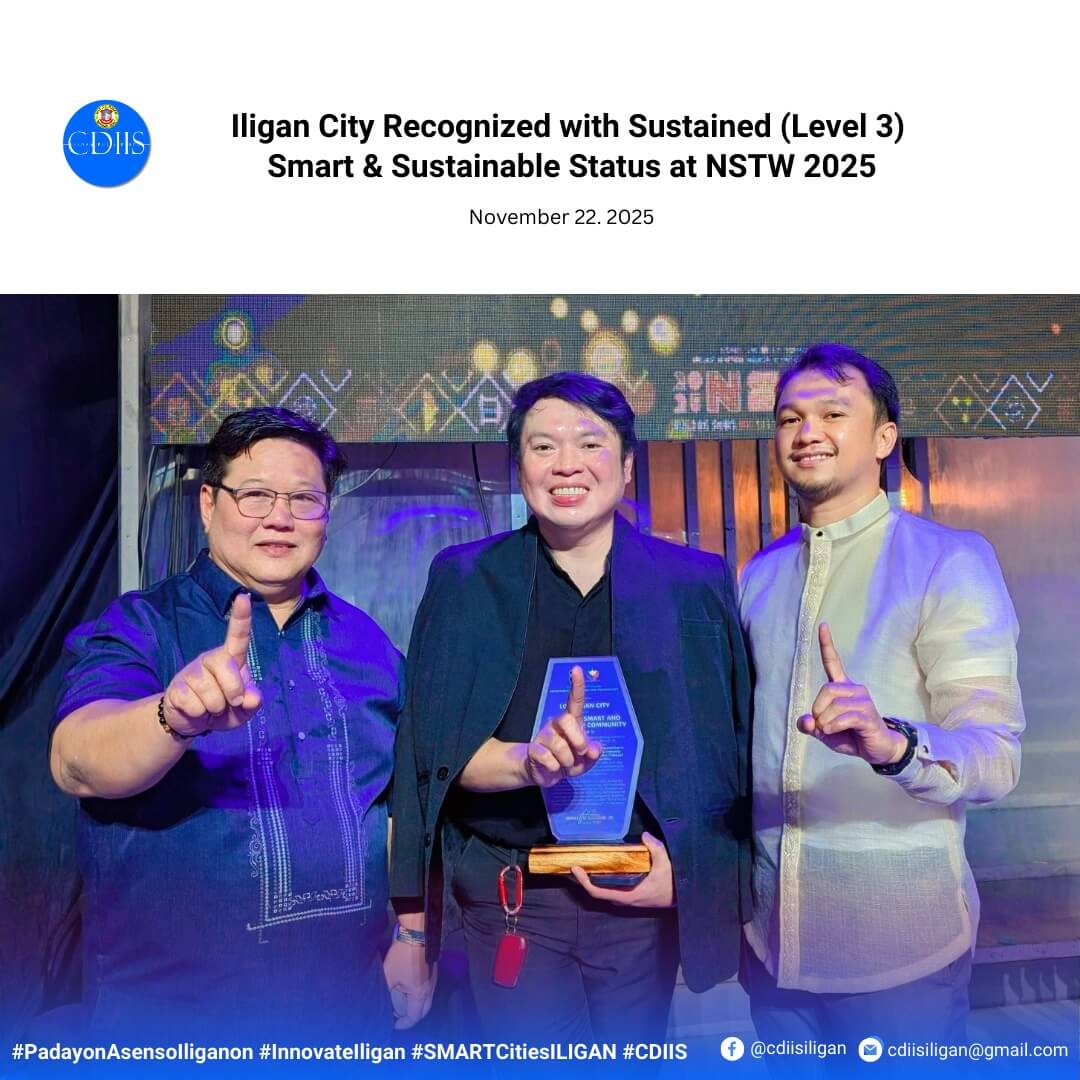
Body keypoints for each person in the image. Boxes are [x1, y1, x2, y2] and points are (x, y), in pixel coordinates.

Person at [389, 372, 751, 1043]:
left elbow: (727, 749)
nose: (566, 465)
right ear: (518, 466)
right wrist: (530, 762)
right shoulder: (464, 580)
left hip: (639, 900)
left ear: (627, 465)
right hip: (511, 899)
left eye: (590, 443)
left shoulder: (694, 584)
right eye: (542, 446)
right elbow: (429, 755)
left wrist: (695, 873)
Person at [50, 407, 408, 1041]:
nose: (280, 516)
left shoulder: (369, 646)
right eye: (256, 495)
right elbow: (76, 758)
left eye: (304, 498)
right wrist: (172, 717)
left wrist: (412, 932)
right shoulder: (143, 626)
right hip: (172, 1026)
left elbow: (395, 804)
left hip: (350, 1017)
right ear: (208, 504)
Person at [738, 344, 1024, 1052]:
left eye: (834, 413)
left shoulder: (947, 560)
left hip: (901, 951)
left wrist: (894, 743)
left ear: (884, 438)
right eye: (790, 418)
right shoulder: (759, 575)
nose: (808, 432)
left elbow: (995, 756)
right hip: (773, 952)